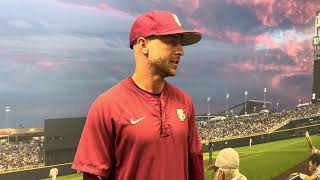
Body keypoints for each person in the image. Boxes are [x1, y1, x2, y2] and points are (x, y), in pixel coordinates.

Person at [72, 10, 204, 180]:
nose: (180, 51)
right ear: (143, 45)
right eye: (171, 42)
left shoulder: (184, 101)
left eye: (180, 44)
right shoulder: (106, 106)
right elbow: (93, 177)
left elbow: (195, 167)